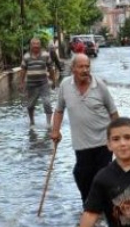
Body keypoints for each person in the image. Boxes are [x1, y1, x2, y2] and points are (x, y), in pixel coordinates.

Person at [50, 53, 119, 205]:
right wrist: (55, 130)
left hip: (103, 143)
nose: (85, 70)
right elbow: (59, 110)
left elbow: (113, 113)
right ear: (73, 68)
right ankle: (88, 206)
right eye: (81, 66)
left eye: (87, 66)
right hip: (81, 144)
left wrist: (119, 137)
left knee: (101, 177)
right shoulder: (65, 86)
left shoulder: (99, 86)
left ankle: (101, 209)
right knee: (81, 175)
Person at [19, 37, 56, 128]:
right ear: (30, 46)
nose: (36, 46)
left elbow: (51, 68)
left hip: (43, 83)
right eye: (34, 44)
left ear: (40, 45)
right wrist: (21, 83)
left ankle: (48, 124)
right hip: (31, 85)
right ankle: (32, 122)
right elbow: (23, 70)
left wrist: (53, 81)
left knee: (47, 102)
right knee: (30, 105)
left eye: (37, 44)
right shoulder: (26, 57)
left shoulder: (45, 55)